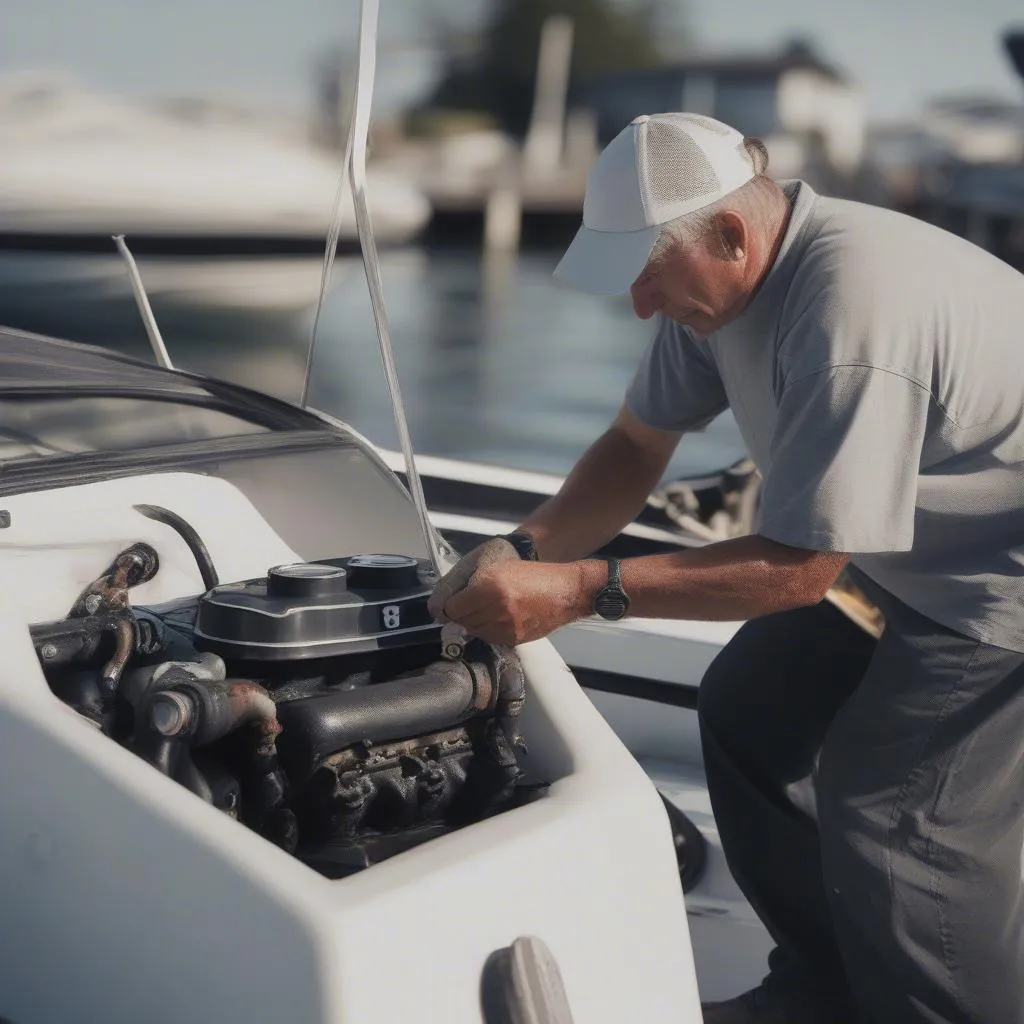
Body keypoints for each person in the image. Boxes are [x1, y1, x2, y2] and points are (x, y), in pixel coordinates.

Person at [426, 112, 1024, 1024]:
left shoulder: (848, 311)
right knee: (748, 710)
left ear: (732, 236)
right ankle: (825, 993)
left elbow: (798, 572)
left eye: (647, 276)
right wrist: (524, 550)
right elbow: (633, 446)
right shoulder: (715, 290)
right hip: (906, 552)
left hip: (1000, 578)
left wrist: (584, 590)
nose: (637, 307)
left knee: (896, 815)